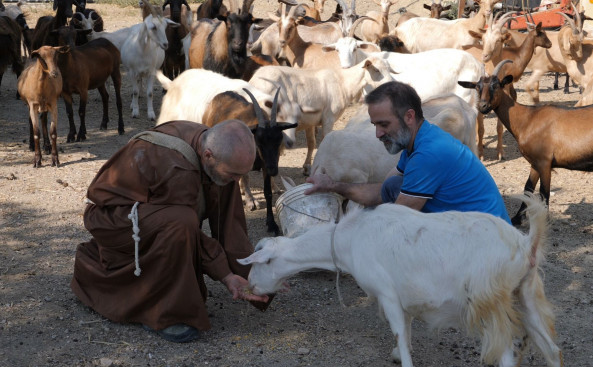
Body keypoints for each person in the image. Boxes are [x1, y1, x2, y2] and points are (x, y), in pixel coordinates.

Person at [71, 119, 269, 343]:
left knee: (214, 193)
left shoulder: (213, 148)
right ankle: (164, 312)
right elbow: (188, 233)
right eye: (235, 173)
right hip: (110, 218)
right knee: (179, 223)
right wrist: (225, 275)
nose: (238, 180)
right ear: (207, 155)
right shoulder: (179, 169)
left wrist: (255, 277)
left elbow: (230, 223)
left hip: (149, 212)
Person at [305, 81, 511, 223]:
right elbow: (381, 191)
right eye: (375, 125)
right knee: (393, 186)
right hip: (474, 229)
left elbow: (395, 217)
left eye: (384, 124)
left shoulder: (429, 154)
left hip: (488, 244)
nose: (377, 134)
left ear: (409, 117)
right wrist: (332, 185)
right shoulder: (417, 143)